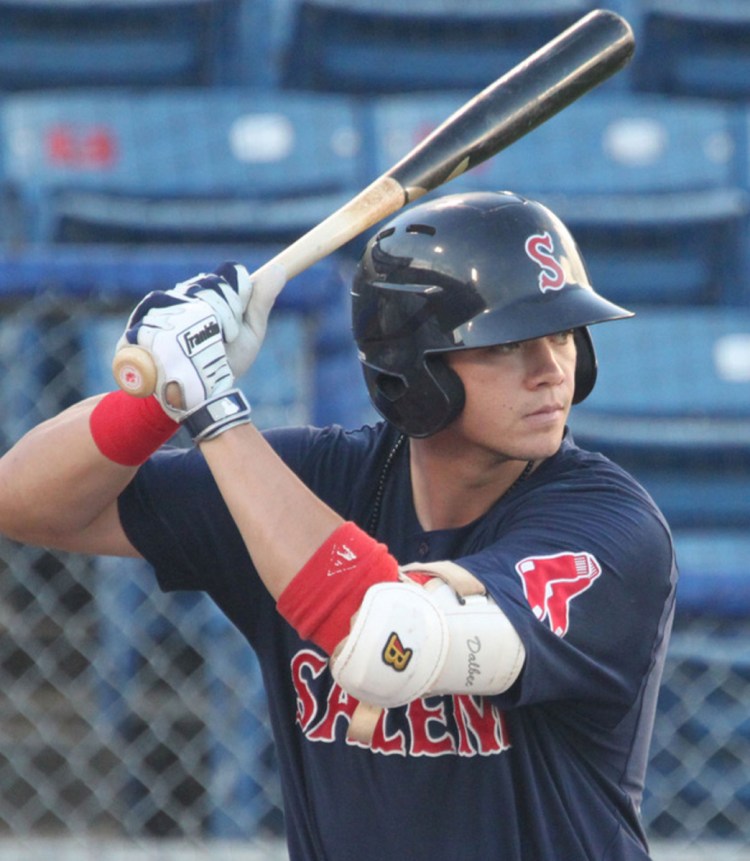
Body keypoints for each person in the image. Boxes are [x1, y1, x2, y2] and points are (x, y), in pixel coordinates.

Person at [0, 191, 677, 860]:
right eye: (507, 345)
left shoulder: (610, 527)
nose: (551, 370)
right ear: (412, 373)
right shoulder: (315, 479)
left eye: (561, 335)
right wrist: (155, 401)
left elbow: (393, 642)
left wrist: (214, 412)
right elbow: (25, 501)